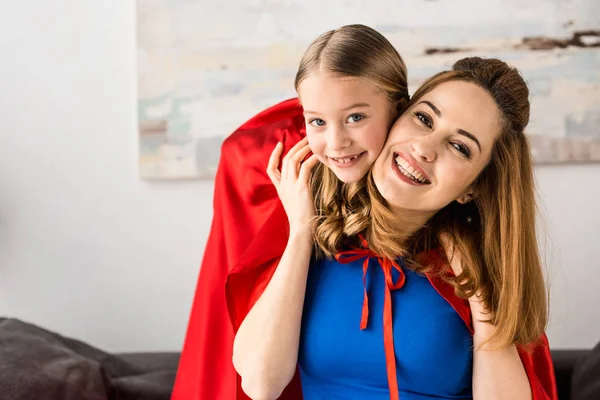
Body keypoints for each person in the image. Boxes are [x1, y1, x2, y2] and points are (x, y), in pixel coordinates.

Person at [233, 57, 557, 399]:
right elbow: (260, 385)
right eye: (423, 118)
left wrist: (480, 295)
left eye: (460, 147)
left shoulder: (474, 270)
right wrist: (300, 231)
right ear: (396, 115)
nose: (424, 148)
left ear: (474, 187)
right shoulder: (311, 240)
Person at [171, 24, 409, 400]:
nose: (335, 142)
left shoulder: (433, 180)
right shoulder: (280, 174)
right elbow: (258, 382)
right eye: (317, 121)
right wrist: (300, 226)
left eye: (356, 118)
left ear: (397, 107)